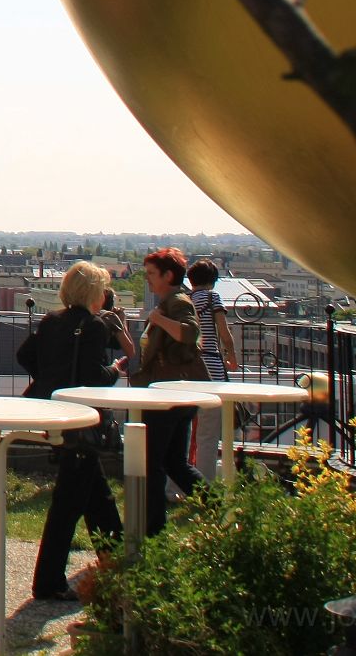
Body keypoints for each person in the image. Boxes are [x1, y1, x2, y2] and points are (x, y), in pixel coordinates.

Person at [18, 260, 127, 602]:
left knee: (97, 496)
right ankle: (49, 582)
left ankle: (120, 567)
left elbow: (25, 356)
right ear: (95, 293)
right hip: (82, 417)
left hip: (56, 413)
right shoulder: (93, 326)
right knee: (68, 504)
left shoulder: (52, 321)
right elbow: (95, 377)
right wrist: (116, 369)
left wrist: (52, 377)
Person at [133, 246, 210, 534]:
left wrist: (158, 320)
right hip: (176, 393)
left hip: (168, 395)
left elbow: (189, 333)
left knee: (153, 463)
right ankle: (218, 509)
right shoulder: (172, 301)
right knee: (173, 462)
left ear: (168, 275)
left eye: (152, 274)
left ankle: (153, 529)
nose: (148, 279)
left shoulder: (176, 302)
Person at [187, 258, 241, 475]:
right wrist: (232, 355)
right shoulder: (212, 298)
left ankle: (180, 482)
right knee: (209, 433)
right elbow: (224, 332)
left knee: (188, 429)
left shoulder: (186, 300)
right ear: (213, 281)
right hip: (212, 367)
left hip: (191, 368)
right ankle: (204, 483)